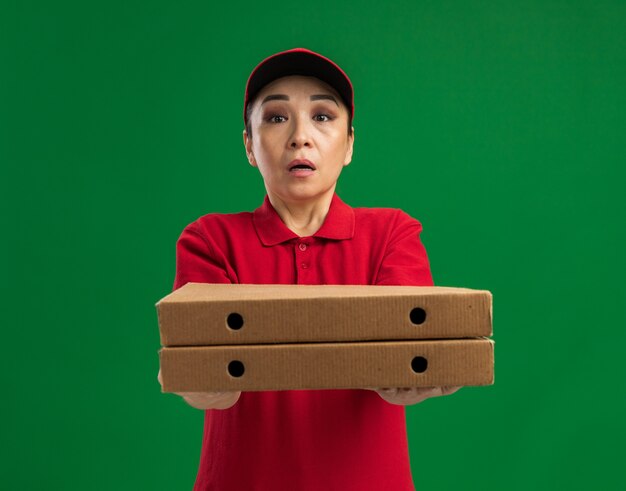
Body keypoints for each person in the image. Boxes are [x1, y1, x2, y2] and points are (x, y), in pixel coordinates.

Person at [158, 48, 460, 490]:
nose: (301, 136)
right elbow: (203, 374)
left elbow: (411, 356)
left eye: (322, 116)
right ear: (249, 145)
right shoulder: (210, 241)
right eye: (277, 118)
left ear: (350, 144)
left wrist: (417, 378)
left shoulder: (393, 233)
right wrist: (197, 382)